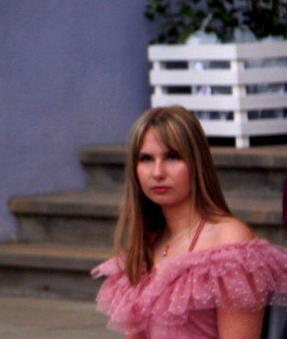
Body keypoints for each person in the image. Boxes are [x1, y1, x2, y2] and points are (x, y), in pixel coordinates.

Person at [93, 106, 287, 338]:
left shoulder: (229, 242)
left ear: (196, 163)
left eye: (172, 157)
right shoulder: (148, 244)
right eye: (146, 159)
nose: (157, 172)